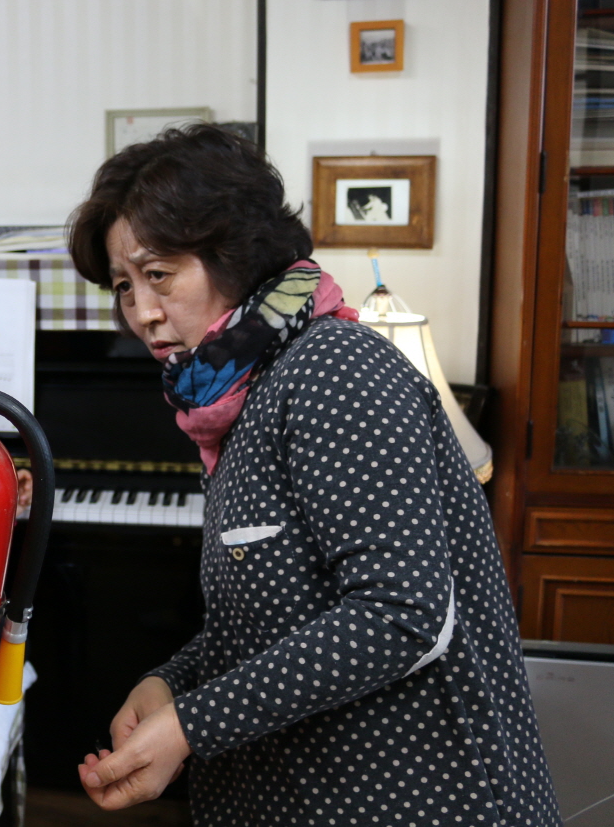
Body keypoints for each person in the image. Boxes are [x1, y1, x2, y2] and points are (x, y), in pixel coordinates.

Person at [65, 124, 560, 826]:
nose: (142, 312)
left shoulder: (334, 367)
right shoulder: (233, 400)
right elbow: (283, 610)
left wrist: (191, 725)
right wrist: (171, 683)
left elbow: (401, 612)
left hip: (410, 801)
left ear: (233, 255)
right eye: (124, 285)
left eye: (159, 274)